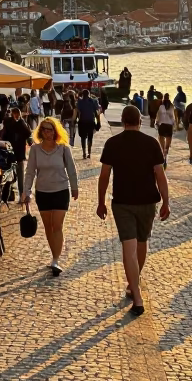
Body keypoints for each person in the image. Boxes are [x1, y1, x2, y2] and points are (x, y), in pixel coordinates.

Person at [97, 105, 169, 315]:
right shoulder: (152, 143)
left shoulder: (112, 143)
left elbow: (104, 176)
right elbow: (160, 175)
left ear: (123, 120)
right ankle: (134, 290)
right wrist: (166, 201)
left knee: (129, 249)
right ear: (140, 120)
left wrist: (101, 202)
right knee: (142, 242)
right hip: (147, 202)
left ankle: (135, 291)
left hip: (123, 202)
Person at [22, 117, 78, 276]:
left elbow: (71, 170)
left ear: (56, 131)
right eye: (45, 129)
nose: (48, 133)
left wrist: (74, 188)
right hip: (43, 192)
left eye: (50, 129)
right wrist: (27, 191)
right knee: (48, 227)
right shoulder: (35, 150)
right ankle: (54, 256)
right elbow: (30, 172)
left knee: (57, 225)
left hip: (61, 190)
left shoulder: (63, 149)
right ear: (41, 132)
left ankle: (56, 259)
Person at [0, 106, 32, 197]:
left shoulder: (15, 123)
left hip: (13, 153)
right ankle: (17, 195)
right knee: (15, 175)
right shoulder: (16, 123)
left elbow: (28, 134)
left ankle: (17, 194)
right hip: (14, 153)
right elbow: (28, 135)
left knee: (15, 175)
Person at [76, 91, 99, 159]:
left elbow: (78, 112)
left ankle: (84, 153)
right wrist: (98, 122)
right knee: (90, 138)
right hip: (90, 121)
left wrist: (75, 120)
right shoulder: (94, 101)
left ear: (82, 95)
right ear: (89, 94)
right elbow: (96, 112)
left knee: (83, 138)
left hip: (82, 121)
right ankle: (89, 153)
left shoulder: (79, 102)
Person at [155, 93, 175, 165]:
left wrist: (157, 123)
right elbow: (173, 117)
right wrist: (174, 124)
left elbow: (158, 116)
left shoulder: (161, 106)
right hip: (169, 125)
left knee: (161, 140)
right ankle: (166, 153)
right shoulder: (171, 106)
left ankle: (163, 153)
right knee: (168, 141)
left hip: (162, 125)